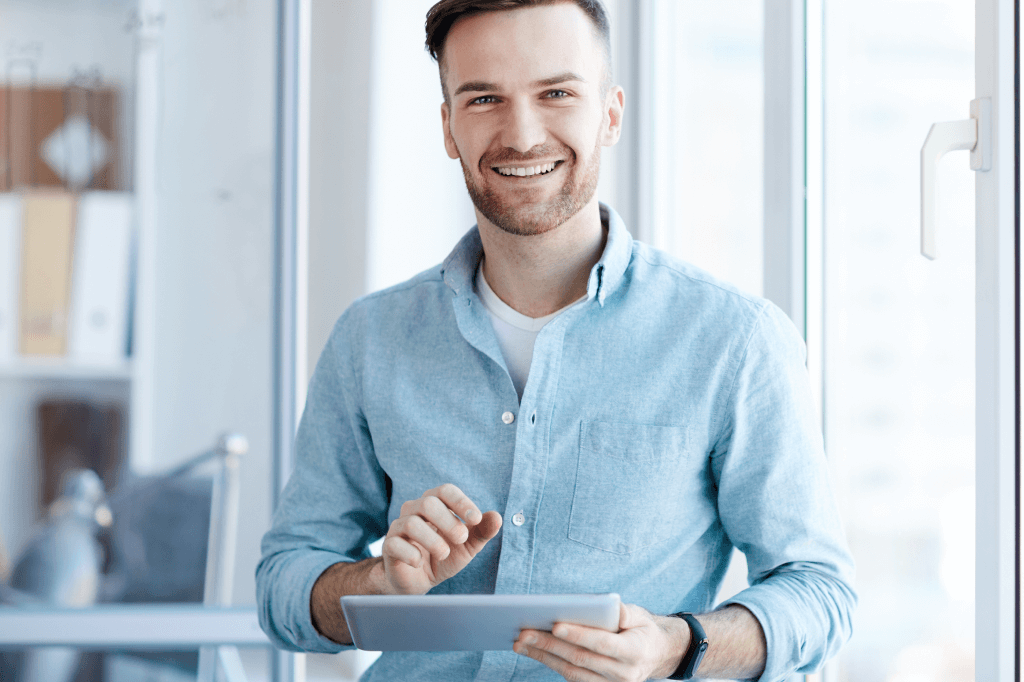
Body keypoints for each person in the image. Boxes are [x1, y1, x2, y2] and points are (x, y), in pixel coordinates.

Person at [256, 1, 856, 680]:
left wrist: (675, 645)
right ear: (449, 126)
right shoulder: (370, 338)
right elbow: (283, 585)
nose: (522, 133)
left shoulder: (733, 341)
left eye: (557, 93)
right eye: (484, 98)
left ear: (611, 113)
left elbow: (820, 591)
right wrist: (374, 588)